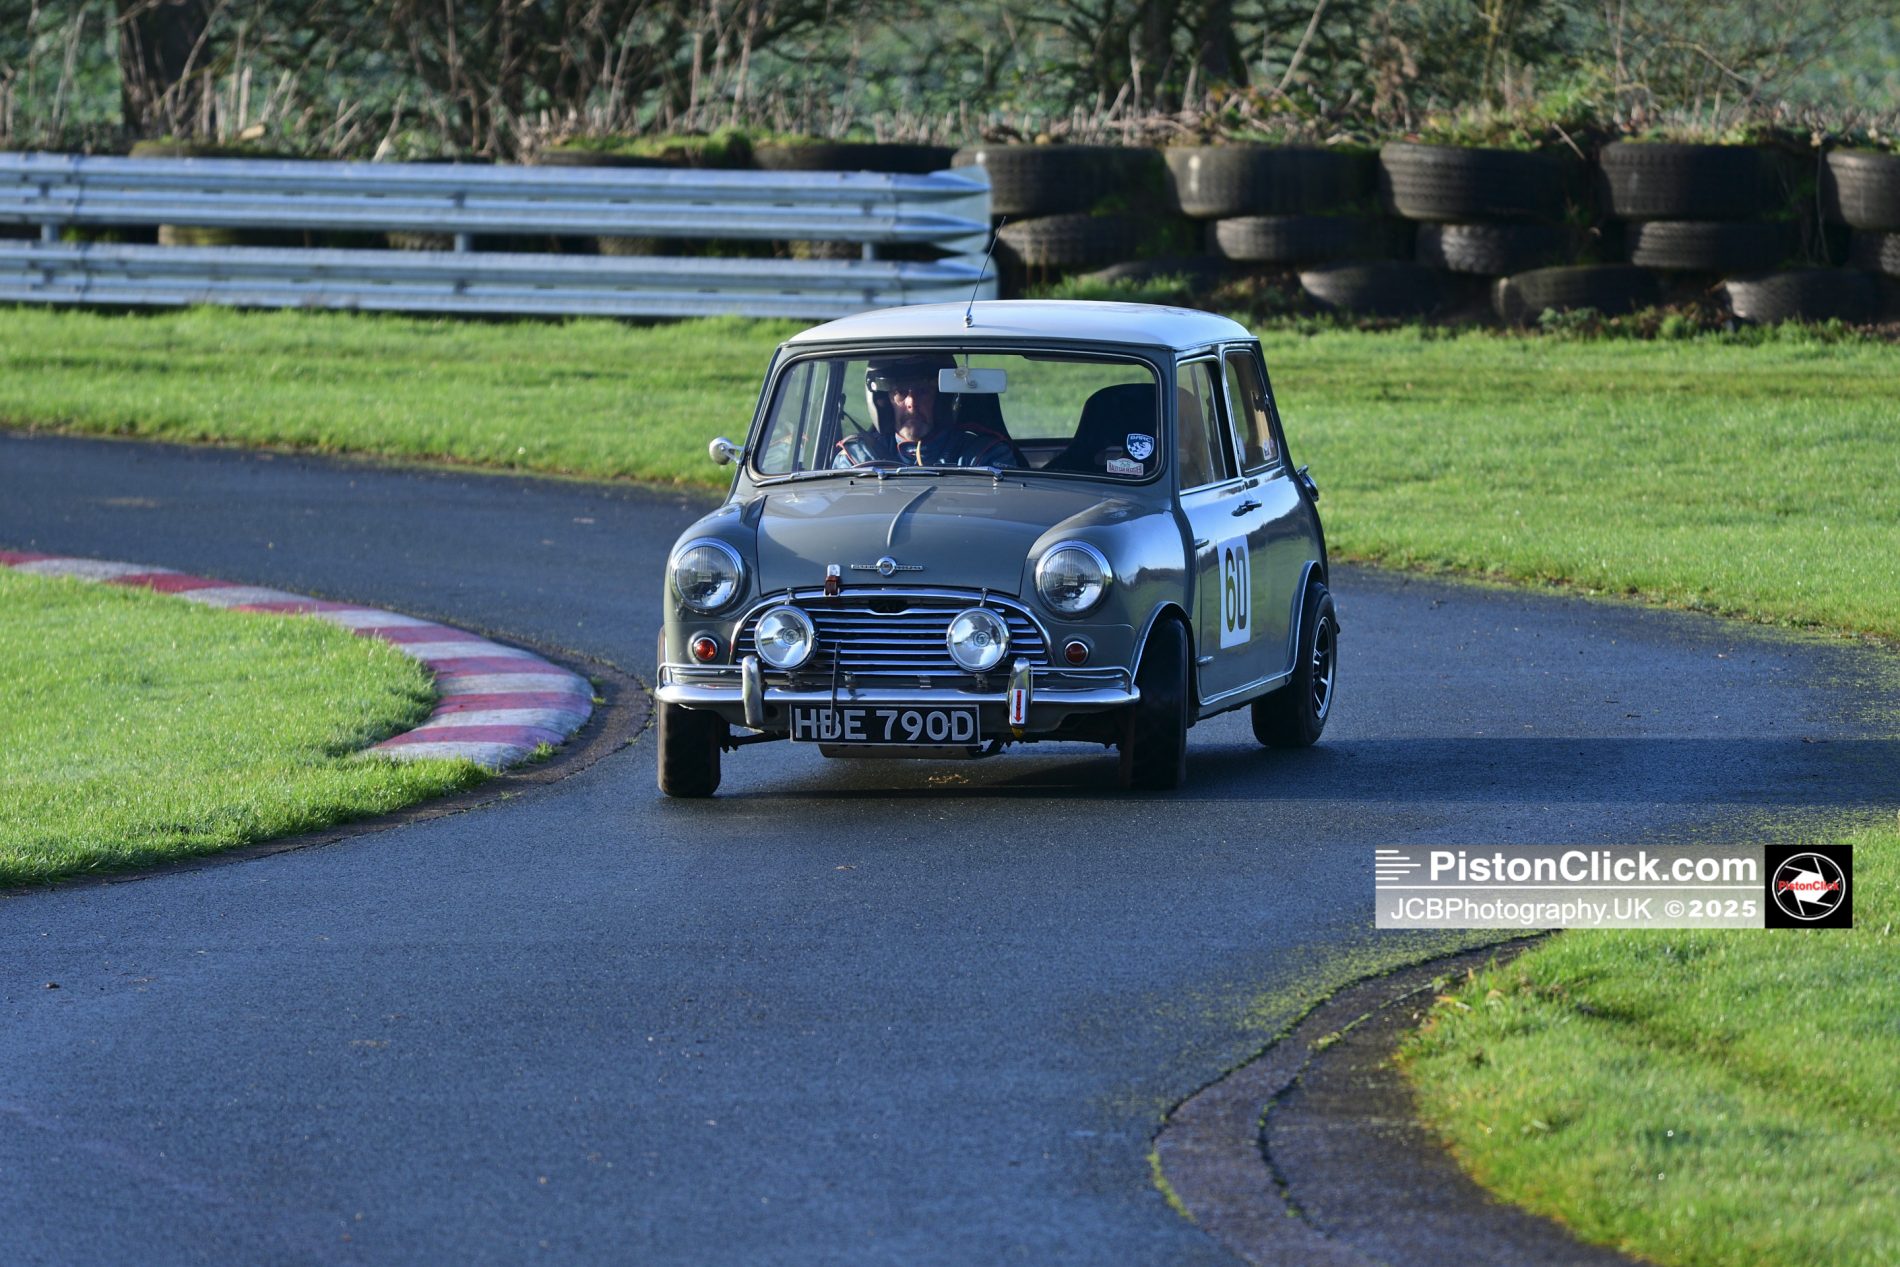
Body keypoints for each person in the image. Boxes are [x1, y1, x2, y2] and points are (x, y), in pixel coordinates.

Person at [834, 354, 1017, 468]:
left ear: (942, 400)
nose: (912, 403)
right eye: (901, 392)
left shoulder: (983, 456)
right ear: (883, 401)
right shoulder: (857, 460)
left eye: (923, 392)